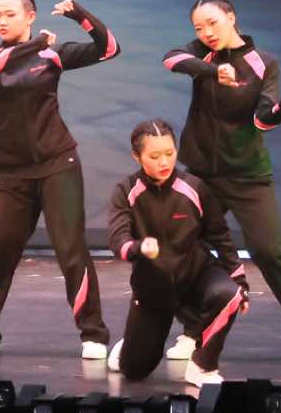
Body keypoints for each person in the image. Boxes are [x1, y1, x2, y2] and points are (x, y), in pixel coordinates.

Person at [163, 0, 281, 360]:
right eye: (199, 28)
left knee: (269, 250)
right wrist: (211, 70)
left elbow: (263, 119)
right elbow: (171, 59)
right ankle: (193, 330)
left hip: (248, 174)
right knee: (180, 249)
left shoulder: (262, 62)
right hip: (202, 174)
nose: (206, 32)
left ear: (231, 18)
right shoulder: (200, 54)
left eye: (213, 23)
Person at [0, 0, 117, 359]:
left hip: (57, 165)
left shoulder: (52, 55)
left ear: (30, 16)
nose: (2, 21)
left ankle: (93, 334)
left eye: (9, 14)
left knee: (70, 250)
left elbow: (109, 48)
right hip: (12, 174)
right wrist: (38, 43)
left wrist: (79, 14)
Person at [105, 121, 247, 388]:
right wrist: (139, 247)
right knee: (135, 370)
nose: (164, 162)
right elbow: (118, 239)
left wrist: (241, 281)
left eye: (170, 153)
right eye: (154, 156)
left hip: (195, 277)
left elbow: (220, 236)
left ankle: (202, 366)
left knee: (229, 294)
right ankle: (129, 348)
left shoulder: (194, 187)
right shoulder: (126, 191)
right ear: (137, 157)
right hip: (154, 288)